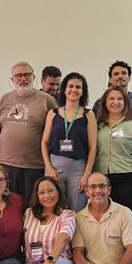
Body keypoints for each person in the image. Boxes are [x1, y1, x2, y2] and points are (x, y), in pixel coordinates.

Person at [0, 61, 59, 198]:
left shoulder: (47, 100)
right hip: (5, 165)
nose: (23, 78)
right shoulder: (4, 99)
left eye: (27, 75)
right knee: (7, 205)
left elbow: (55, 132)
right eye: (18, 75)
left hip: (34, 166)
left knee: (31, 205)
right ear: (12, 79)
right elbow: (1, 127)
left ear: (34, 77)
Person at [42, 72, 97, 211]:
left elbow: (93, 146)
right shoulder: (53, 113)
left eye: (78, 87)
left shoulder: (89, 115)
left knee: (77, 210)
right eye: (70, 86)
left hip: (78, 169)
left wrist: (86, 174)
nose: (74, 90)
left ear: (83, 91)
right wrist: (48, 167)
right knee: (54, 209)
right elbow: (44, 143)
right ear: (64, 89)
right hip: (55, 167)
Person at [94, 85, 132, 213]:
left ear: (125, 102)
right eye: (111, 98)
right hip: (101, 179)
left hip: (126, 179)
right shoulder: (96, 125)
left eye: (120, 99)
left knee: (126, 216)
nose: (115, 102)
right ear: (105, 102)